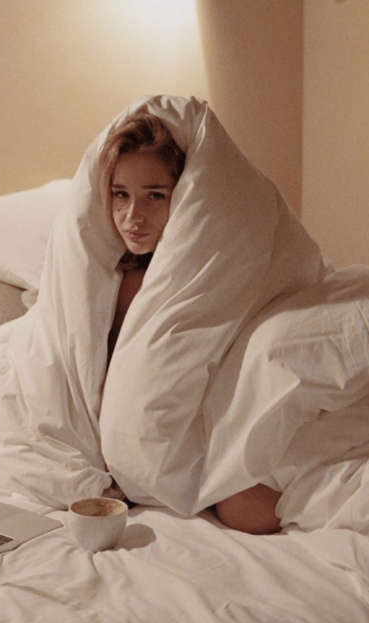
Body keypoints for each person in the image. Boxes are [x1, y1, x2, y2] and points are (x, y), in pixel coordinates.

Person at [99, 113, 282, 535]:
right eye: (120, 195)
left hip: (233, 400)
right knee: (247, 508)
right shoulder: (116, 283)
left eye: (155, 196)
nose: (133, 216)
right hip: (182, 426)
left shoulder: (218, 264)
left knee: (251, 506)